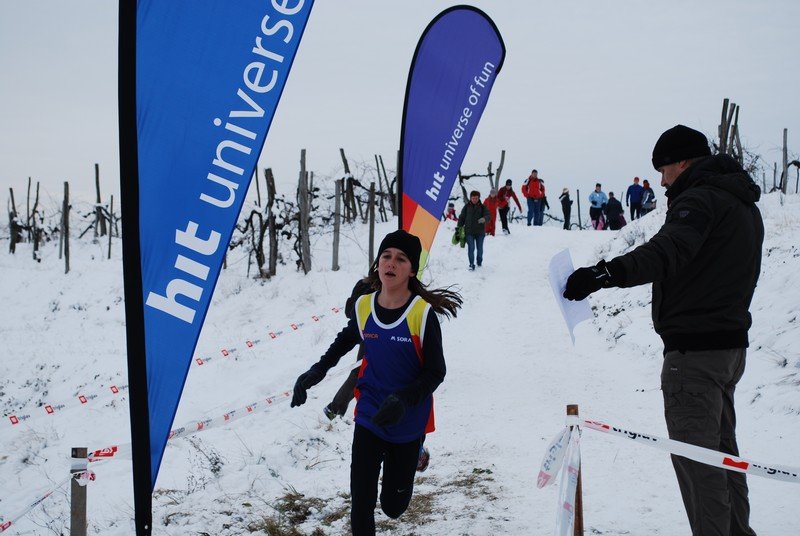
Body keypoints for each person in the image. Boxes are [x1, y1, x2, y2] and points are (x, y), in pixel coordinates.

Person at [563, 125, 762, 536]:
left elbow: (666, 251)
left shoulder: (699, 200)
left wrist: (604, 274)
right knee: (723, 456)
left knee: (699, 465)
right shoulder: (739, 202)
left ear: (683, 162)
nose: (661, 180)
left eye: (663, 169)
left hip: (695, 356)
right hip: (726, 349)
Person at [291, 230, 463, 535]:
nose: (391, 263)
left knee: (393, 507)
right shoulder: (364, 306)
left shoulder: (421, 314)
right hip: (370, 412)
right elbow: (344, 341)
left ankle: (416, 451)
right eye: (386, 256)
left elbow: (436, 372)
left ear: (412, 270)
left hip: (407, 418)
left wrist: (404, 400)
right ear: (378, 263)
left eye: (401, 259)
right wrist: (316, 371)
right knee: (361, 501)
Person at [457, 190, 490, 270]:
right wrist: (459, 228)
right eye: (473, 198)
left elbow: (488, 215)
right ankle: (471, 264)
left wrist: (484, 218)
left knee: (480, 249)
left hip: (480, 232)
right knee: (471, 248)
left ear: (478, 198)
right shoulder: (466, 207)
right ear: (470, 198)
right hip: (469, 232)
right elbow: (461, 218)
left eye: (476, 198)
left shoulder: (482, 207)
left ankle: (479, 261)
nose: (474, 200)